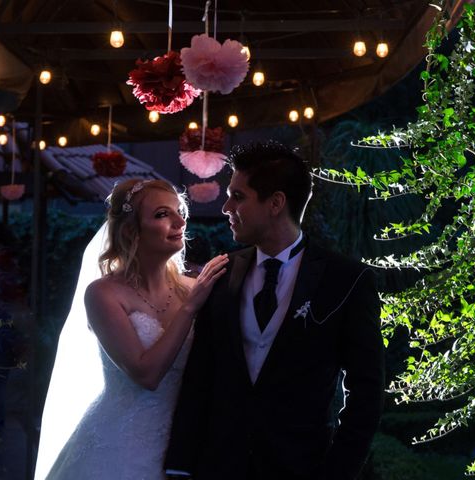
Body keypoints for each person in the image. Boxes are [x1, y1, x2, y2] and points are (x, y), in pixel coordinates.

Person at [165, 141, 385, 480]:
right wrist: (179, 466)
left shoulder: (346, 281)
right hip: (220, 467)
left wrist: (336, 472)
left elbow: (367, 393)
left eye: (238, 196)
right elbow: (200, 376)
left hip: (300, 467)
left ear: (276, 203)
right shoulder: (222, 273)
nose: (225, 207)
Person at [34, 178, 228, 480]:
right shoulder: (103, 294)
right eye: (163, 215)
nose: (180, 221)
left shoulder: (194, 287)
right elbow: (145, 374)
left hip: (185, 442)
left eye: (180, 212)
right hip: (119, 446)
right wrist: (190, 308)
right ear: (131, 230)